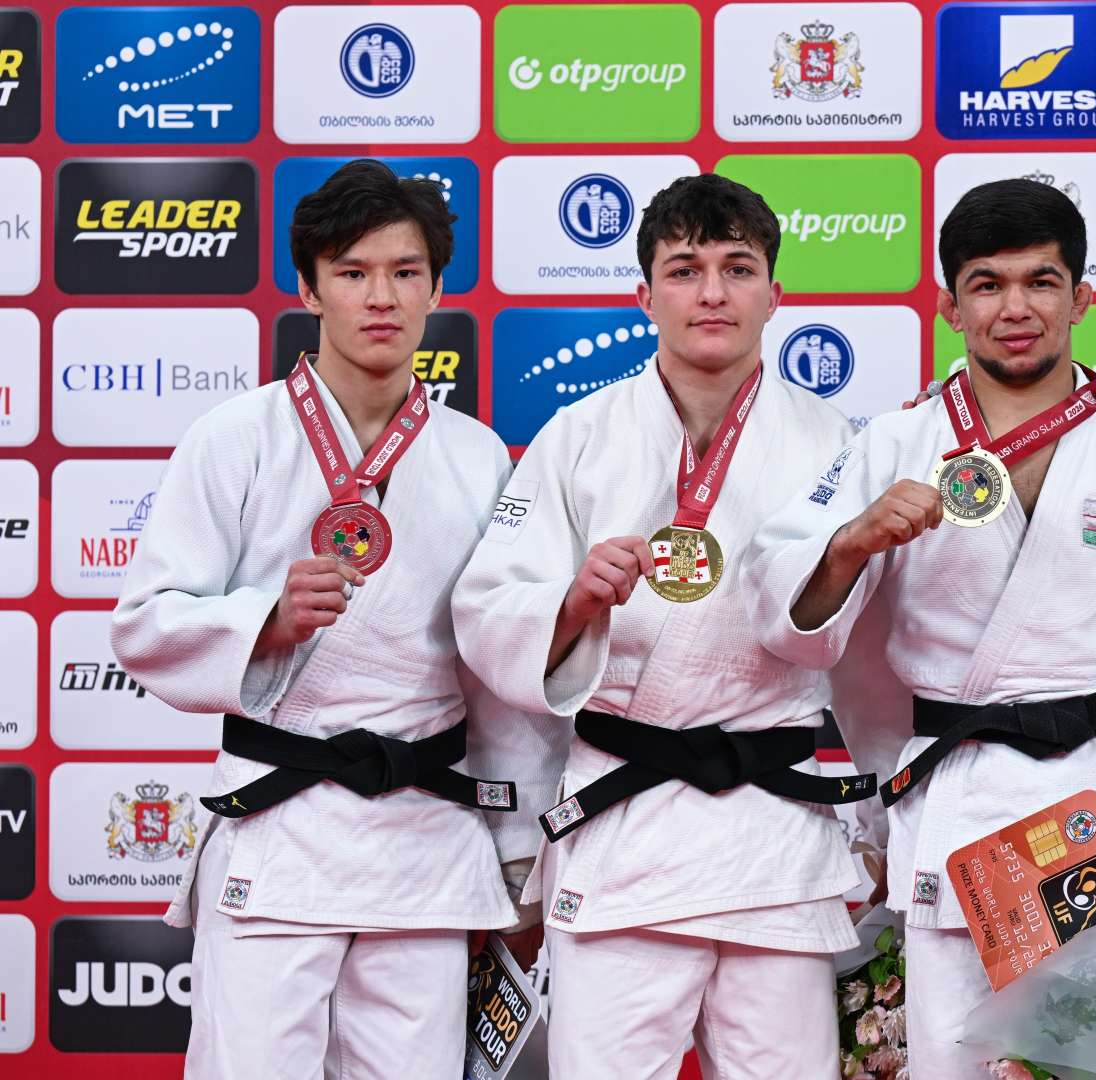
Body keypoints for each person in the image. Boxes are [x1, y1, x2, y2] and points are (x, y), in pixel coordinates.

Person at [747, 178, 1096, 1080]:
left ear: (1082, 297)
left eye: (1040, 282)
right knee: (959, 1063)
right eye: (986, 284)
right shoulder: (891, 446)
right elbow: (788, 621)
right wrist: (851, 543)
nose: (1015, 308)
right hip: (962, 804)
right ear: (948, 306)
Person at [110, 160, 557, 1079]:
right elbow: (146, 622)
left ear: (436, 286)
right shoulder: (233, 438)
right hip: (282, 825)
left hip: (424, 837)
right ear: (308, 285)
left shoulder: (478, 459)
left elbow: (501, 672)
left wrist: (517, 856)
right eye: (352, 273)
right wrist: (263, 620)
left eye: (404, 272)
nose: (380, 297)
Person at [452, 173, 894, 1079]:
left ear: (778, 291)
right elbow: (488, 608)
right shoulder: (578, 434)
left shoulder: (840, 445)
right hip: (624, 826)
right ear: (643, 293)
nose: (713, 292)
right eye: (685, 269)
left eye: (739, 267)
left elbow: (882, 655)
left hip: (774, 833)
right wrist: (573, 603)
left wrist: (886, 828)